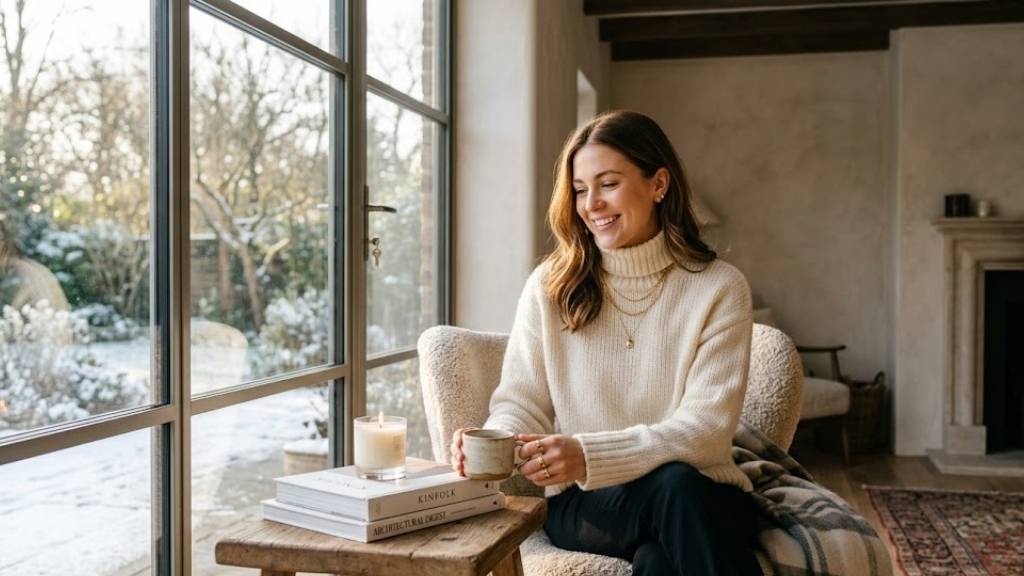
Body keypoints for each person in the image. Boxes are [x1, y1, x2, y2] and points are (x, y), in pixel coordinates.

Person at [450, 110, 762, 575]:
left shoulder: (718, 288)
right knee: (675, 492)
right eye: (580, 189)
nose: (591, 203)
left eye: (608, 183)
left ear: (659, 184)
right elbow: (522, 402)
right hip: (590, 505)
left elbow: (707, 428)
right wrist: (498, 439)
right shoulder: (550, 287)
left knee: (660, 557)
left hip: (702, 491)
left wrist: (588, 453)